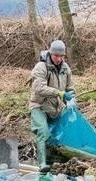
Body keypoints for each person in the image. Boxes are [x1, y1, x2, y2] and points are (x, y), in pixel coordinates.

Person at [29, 40, 75, 172]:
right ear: (50, 53)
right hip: (39, 106)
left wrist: (71, 100)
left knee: (60, 134)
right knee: (43, 132)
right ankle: (42, 164)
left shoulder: (66, 69)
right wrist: (59, 93)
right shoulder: (41, 67)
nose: (59, 59)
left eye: (62, 56)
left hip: (56, 108)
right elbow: (39, 88)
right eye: (56, 56)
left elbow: (70, 88)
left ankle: (56, 162)